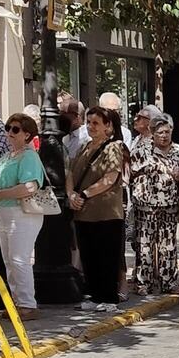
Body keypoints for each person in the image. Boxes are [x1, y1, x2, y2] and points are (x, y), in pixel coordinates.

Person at [0, 113, 48, 314]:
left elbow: (30, 186)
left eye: (15, 129)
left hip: (21, 213)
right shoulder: (7, 156)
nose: (10, 132)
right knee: (9, 261)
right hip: (2, 213)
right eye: (8, 128)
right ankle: (17, 302)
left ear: (27, 134)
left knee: (19, 259)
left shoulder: (29, 156)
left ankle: (27, 304)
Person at [67, 105, 127, 313]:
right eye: (88, 122)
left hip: (106, 212)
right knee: (89, 255)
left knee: (107, 256)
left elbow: (110, 178)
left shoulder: (114, 147)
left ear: (107, 126)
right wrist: (71, 195)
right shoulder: (84, 147)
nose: (91, 127)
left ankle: (109, 297)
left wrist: (84, 194)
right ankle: (94, 295)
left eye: (96, 123)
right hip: (83, 212)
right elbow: (70, 173)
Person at [127, 117, 179, 297]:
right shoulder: (142, 151)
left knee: (168, 245)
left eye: (167, 132)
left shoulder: (178, 150)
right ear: (153, 134)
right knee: (144, 245)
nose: (164, 136)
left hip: (170, 204)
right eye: (160, 132)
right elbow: (130, 173)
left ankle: (168, 281)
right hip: (146, 206)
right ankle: (143, 282)